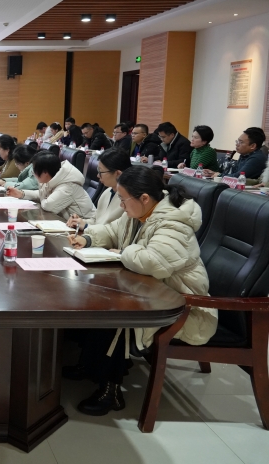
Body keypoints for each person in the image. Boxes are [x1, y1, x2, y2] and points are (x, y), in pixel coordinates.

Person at [66, 166, 216, 415]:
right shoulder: (141, 212)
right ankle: (89, 365)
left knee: (115, 314)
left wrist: (124, 252)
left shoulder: (174, 224)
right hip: (154, 292)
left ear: (144, 198)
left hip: (182, 305)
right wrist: (88, 238)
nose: (121, 205)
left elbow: (153, 262)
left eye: (123, 199)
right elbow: (113, 231)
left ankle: (111, 391)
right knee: (92, 298)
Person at [7, 151, 95, 219]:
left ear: (45, 172)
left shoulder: (68, 186)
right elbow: (43, 195)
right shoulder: (55, 178)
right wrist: (22, 194)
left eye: (34, 170)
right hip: (67, 222)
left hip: (84, 226)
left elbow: (48, 206)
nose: (33, 174)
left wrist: (41, 190)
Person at [67, 147, 132, 230]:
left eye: (101, 172)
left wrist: (86, 227)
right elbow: (96, 220)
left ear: (118, 174)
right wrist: (79, 222)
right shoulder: (107, 192)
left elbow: (114, 232)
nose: (98, 175)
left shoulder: (130, 200)